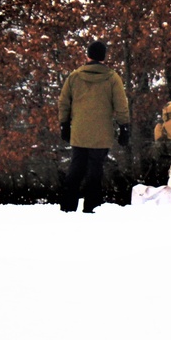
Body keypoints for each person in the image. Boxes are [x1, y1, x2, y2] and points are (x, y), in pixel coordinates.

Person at [58, 40, 130, 213]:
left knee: (76, 168)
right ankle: (91, 206)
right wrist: (124, 127)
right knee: (95, 170)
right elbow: (121, 105)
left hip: (79, 132)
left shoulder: (74, 77)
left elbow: (64, 102)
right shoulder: (112, 78)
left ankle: (68, 206)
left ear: (87, 55)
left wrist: (64, 124)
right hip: (102, 133)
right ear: (104, 57)